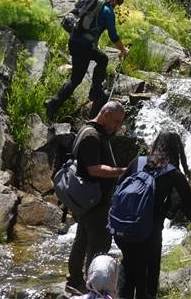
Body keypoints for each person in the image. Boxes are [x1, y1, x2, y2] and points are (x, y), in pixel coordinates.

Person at [114, 131, 191, 299]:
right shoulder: (173, 174)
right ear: (176, 149)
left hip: (122, 229)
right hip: (149, 232)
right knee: (148, 276)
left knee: (128, 267)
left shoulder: (138, 161)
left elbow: (118, 187)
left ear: (156, 144)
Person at [66, 102, 128, 293]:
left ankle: (75, 281)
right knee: (99, 245)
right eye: (116, 122)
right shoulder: (92, 136)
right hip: (95, 201)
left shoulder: (88, 130)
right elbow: (94, 169)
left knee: (82, 240)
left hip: (86, 200)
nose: (117, 127)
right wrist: (124, 171)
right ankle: (93, 288)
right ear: (106, 115)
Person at [46, 0, 130, 120]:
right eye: (116, 1)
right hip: (84, 47)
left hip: (74, 41)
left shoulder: (91, 3)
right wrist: (123, 50)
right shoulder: (108, 11)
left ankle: (95, 91)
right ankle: (52, 104)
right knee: (75, 80)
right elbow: (113, 36)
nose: (116, 4)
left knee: (102, 59)